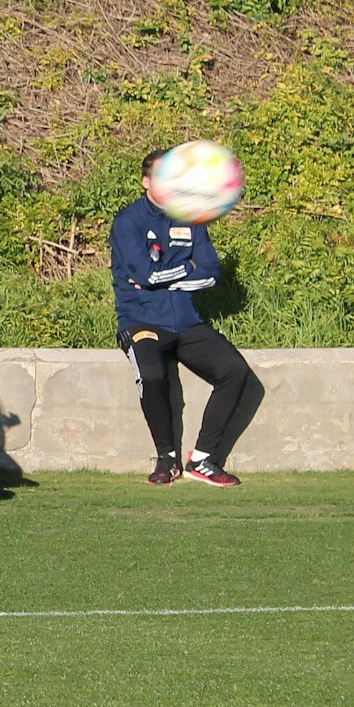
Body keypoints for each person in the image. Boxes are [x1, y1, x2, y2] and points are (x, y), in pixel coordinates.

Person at [110, 148, 259, 487]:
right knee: (152, 375)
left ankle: (203, 459)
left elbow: (210, 274)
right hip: (142, 321)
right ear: (146, 181)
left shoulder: (192, 217)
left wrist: (169, 273)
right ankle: (167, 458)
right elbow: (143, 276)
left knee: (235, 372)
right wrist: (184, 267)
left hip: (188, 322)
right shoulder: (129, 221)